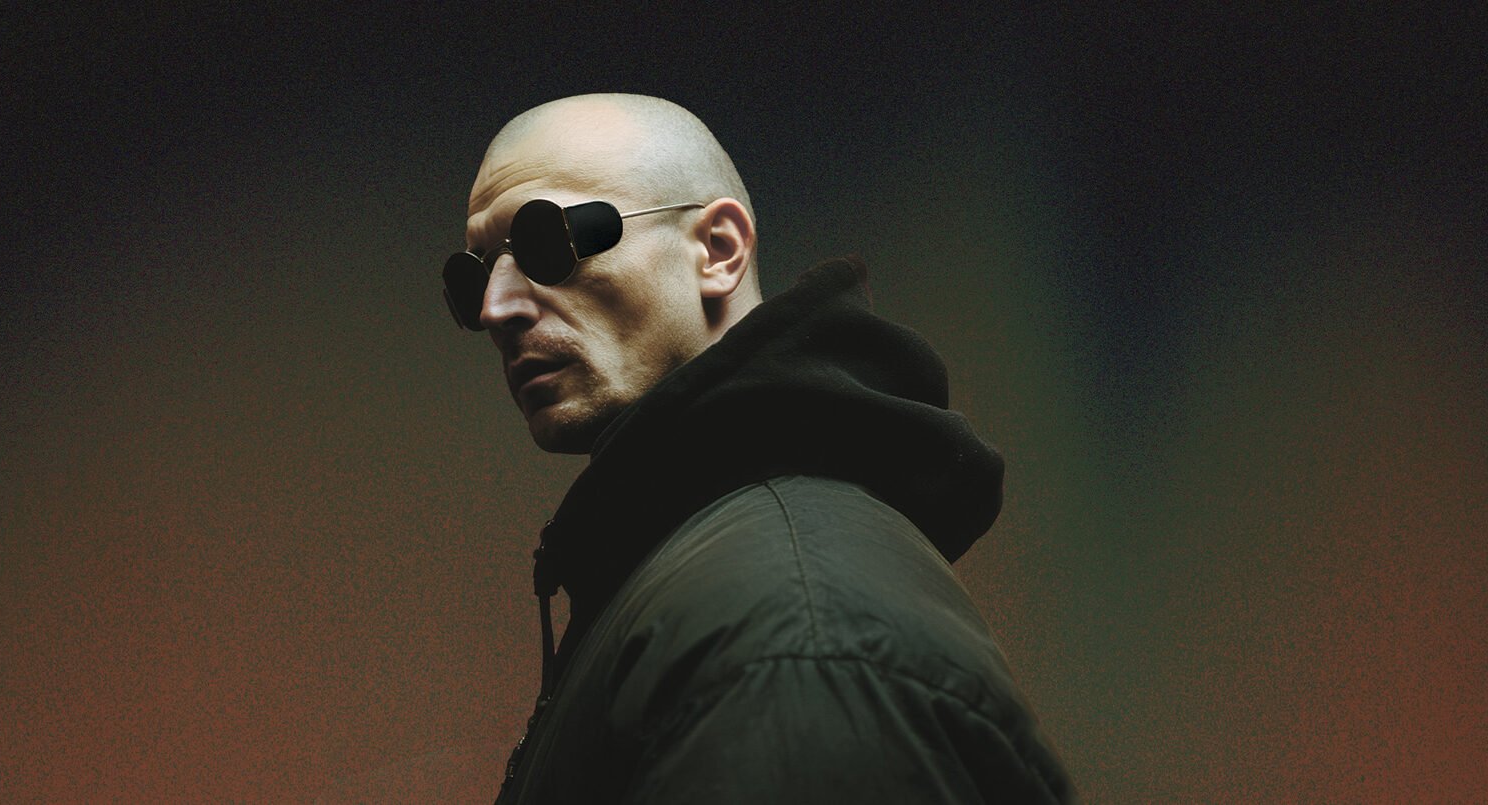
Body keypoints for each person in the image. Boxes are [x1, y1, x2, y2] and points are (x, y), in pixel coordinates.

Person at [445, 93, 1073, 803]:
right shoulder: (712, 579)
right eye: (472, 279)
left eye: (544, 242)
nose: (495, 309)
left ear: (718, 250)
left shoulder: (799, 632)